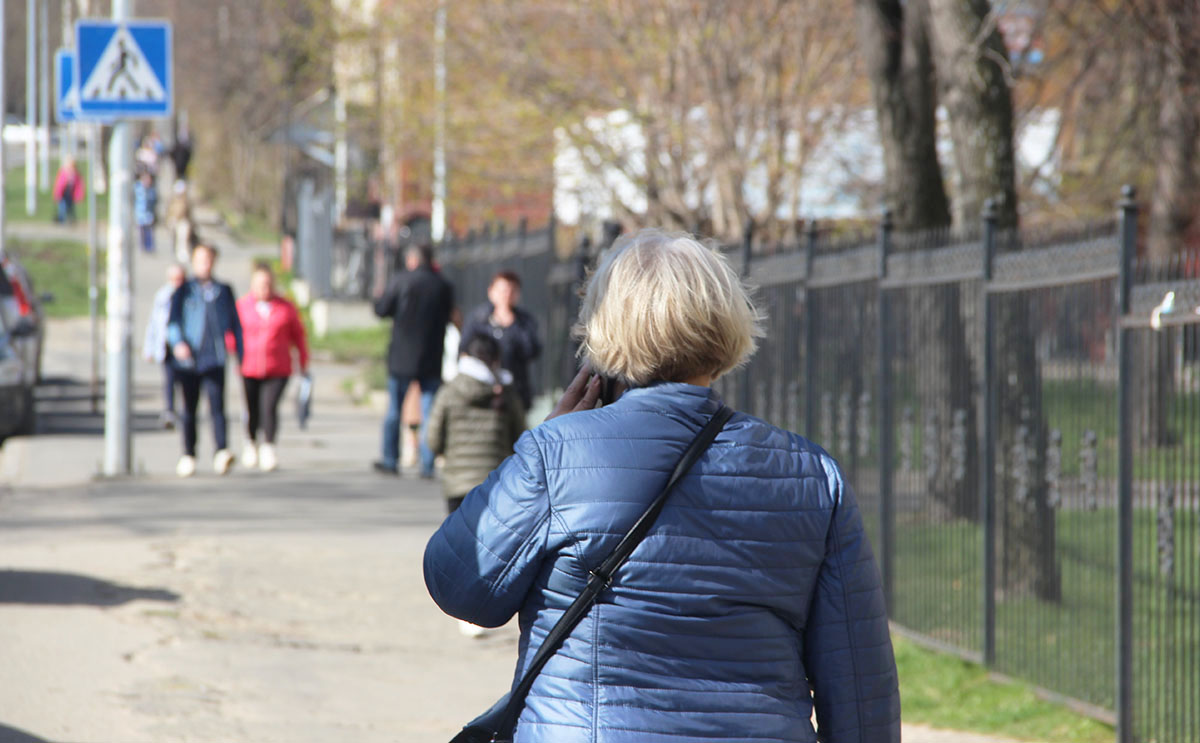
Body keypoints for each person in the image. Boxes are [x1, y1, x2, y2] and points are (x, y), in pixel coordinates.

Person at [424, 229, 900, 742]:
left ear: (605, 337)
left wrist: (541, 442)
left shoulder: (557, 454)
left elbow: (460, 585)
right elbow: (858, 687)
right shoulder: (810, 475)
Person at [372, 244, 455, 477]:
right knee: (429, 412)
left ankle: (390, 459)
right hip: (431, 356)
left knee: (394, 411)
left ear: (412, 260)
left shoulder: (401, 281)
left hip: (402, 357)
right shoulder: (443, 285)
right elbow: (450, 315)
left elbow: (381, 309)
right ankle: (427, 465)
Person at [426, 331, 525, 514]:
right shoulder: (506, 393)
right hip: (495, 484)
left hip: (457, 485)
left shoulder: (449, 390)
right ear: (496, 358)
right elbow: (521, 439)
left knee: (458, 540)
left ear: (465, 356)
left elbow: (432, 439)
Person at [167, 243, 243, 478]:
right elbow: (173, 322)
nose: (205, 264)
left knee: (217, 407)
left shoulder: (223, 290)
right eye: (200, 259)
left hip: (214, 358)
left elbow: (235, 324)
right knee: (189, 408)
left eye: (208, 259)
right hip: (188, 360)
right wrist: (178, 343)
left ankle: (221, 451)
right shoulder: (184, 290)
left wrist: (241, 352)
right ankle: (188, 453)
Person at [235, 263, 309, 472]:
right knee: (252, 408)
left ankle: (268, 446)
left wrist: (303, 361)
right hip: (249, 367)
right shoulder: (242, 306)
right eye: (259, 284)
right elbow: (231, 334)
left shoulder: (285, 307)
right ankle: (251, 442)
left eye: (267, 284)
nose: (263, 289)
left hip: (278, 368)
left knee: (269, 407)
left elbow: (299, 336)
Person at [459, 271, 542, 411]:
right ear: (491, 292)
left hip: (516, 391)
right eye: (502, 290)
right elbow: (463, 351)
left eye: (511, 290)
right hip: (483, 392)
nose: (506, 295)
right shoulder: (478, 319)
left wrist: (513, 324)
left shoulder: (524, 321)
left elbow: (532, 351)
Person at [143, 263, 187, 429]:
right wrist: (149, 348)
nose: (177, 282)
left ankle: (185, 410)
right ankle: (169, 409)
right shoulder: (163, 295)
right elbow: (154, 323)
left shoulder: (189, 295)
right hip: (166, 345)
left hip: (184, 347)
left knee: (185, 381)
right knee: (169, 380)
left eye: (180, 279)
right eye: (174, 279)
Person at [166, 180, 194, 264]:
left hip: (183, 221)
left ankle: (183, 253)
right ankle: (176, 252)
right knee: (175, 238)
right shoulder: (172, 200)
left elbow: (189, 212)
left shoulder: (186, 201)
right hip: (174, 221)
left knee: (183, 238)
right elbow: (169, 211)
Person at [52, 157, 84, 224]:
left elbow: (79, 185)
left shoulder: (76, 174)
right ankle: (61, 220)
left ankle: (71, 220)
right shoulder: (63, 174)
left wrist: (79, 195)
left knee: (70, 207)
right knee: (62, 207)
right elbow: (59, 185)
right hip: (63, 194)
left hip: (71, 194)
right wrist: (57, 194)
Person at [134, 171, 158, 254]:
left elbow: (154, 201)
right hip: (140, 214)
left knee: (149, 232)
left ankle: (150, 247)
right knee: (141, 232)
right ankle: (142, 247)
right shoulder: (138, 188)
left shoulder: (152, 190)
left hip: (149, 215)